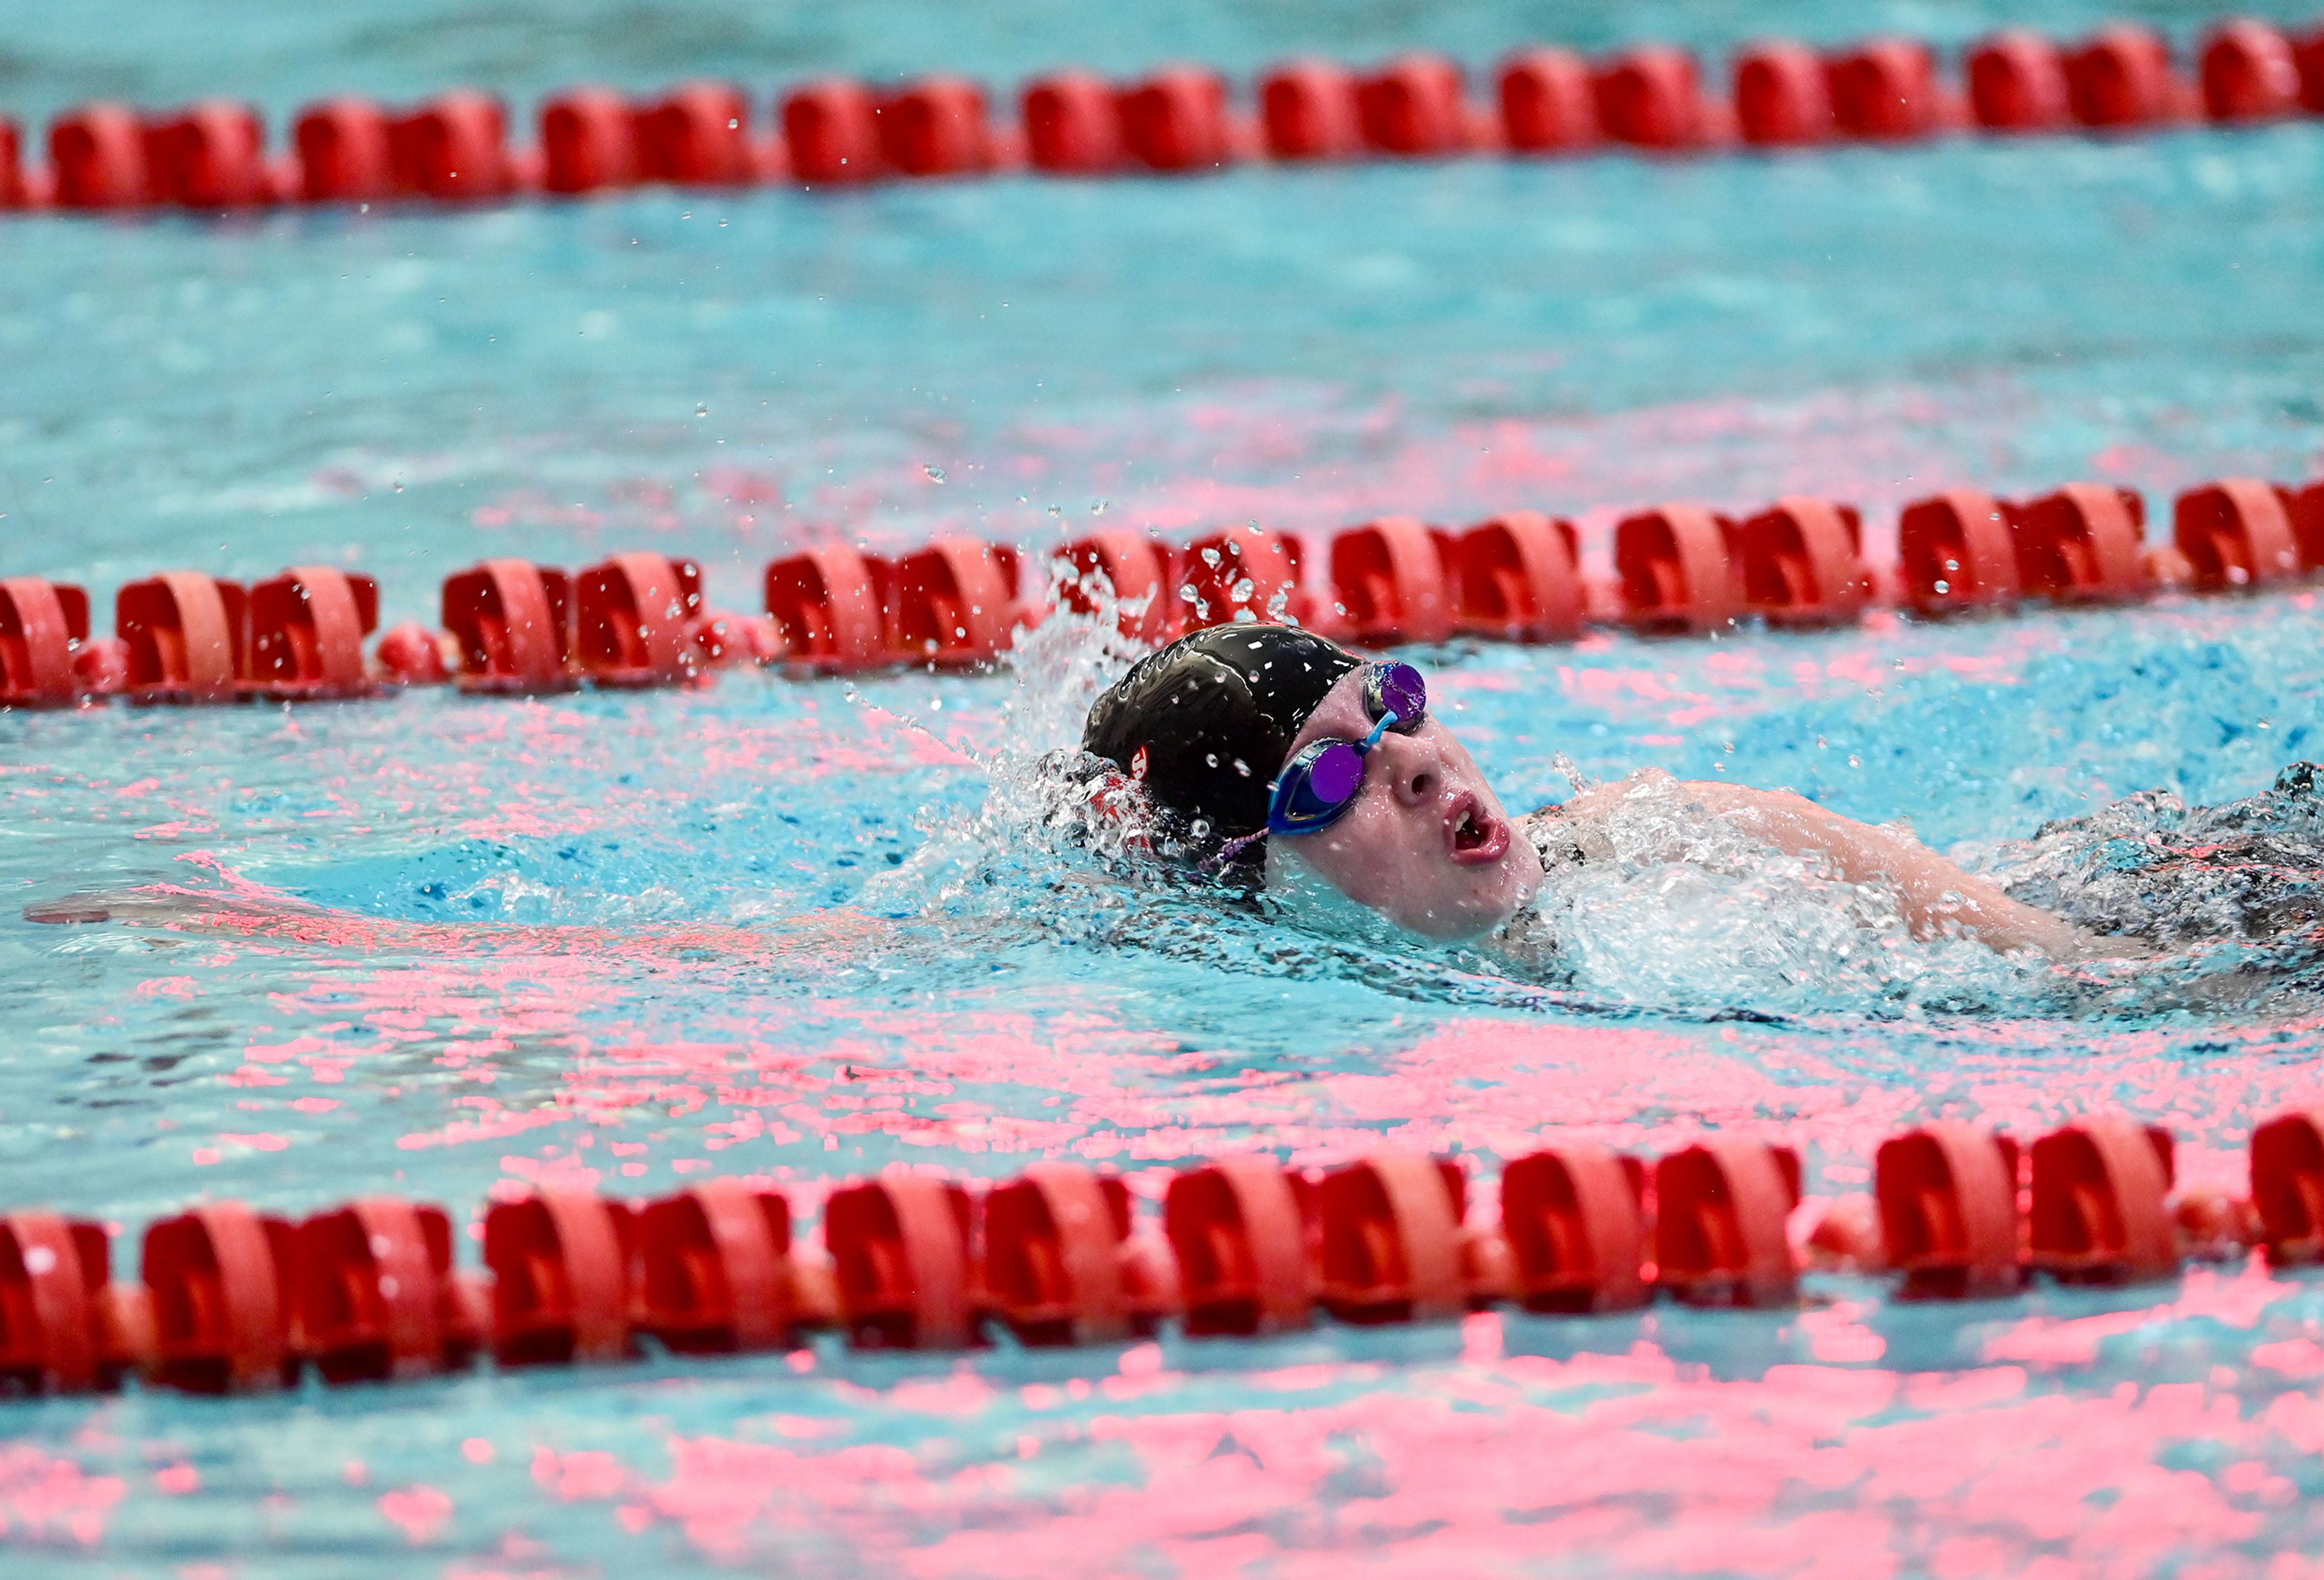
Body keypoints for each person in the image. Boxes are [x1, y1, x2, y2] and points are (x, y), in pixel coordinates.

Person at [1078, 624, 2105, 961]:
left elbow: (2059, 956)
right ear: (1249, 874)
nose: (1417, 761)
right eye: (1333, 777)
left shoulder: (1652, 838)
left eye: (1396, 701)